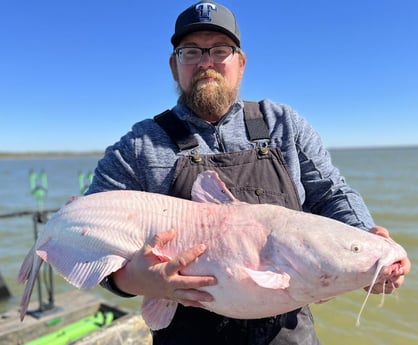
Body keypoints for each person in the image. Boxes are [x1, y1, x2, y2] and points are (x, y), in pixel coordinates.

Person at [86, 2, 410, 344]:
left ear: (240, 63)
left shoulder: (282, 123)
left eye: (220, 50)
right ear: (174, 65)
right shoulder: (139, 145)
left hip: (287, 330)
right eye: (191, 51)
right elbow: (89, 233)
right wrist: (127, 281)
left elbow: (330, 193)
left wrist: (365, 241)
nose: (207, 62)